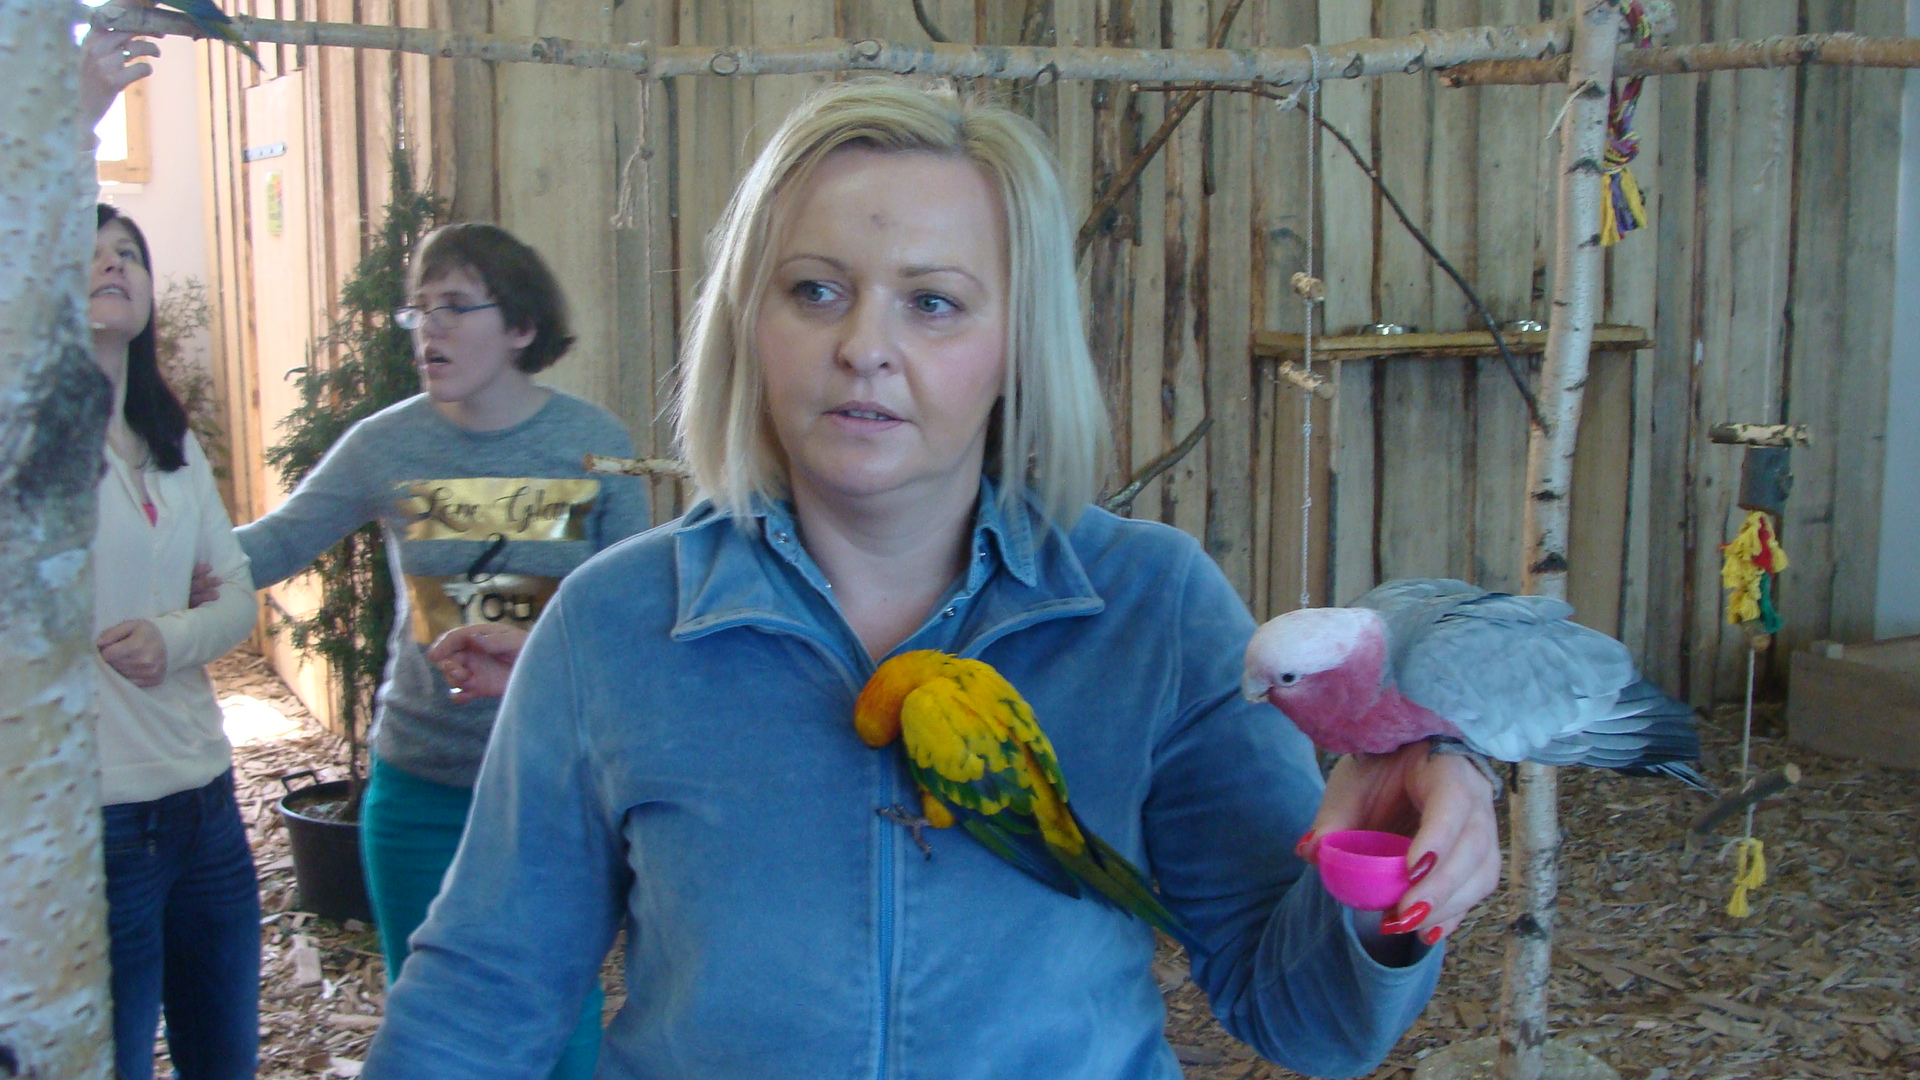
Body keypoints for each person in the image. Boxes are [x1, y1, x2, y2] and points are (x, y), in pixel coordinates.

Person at [365, 79, 1501, 1079]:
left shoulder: (1151, 609)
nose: (865, 345)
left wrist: (1390, 868)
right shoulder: (614, 626)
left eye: (934, 302)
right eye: (815, 290)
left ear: (1015, 345)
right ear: (749, 324)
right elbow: (483, 1002)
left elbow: (1308, 1018)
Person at [235, 223, 650, 1080]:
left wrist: (538, 653)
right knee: (433, 1032)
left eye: (456, 306)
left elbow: (632, 623)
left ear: (521, 327)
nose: (430, 328)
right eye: (420, 310)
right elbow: (271, 546)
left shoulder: (595, 445)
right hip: (419, 785)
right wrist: (134, 546)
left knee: (557, 1019)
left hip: (551, 791)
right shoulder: (385, 444)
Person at [82, 26, 264, 1078]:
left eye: (131, 253)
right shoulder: (31, 443)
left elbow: (236, 598)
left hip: (205, 799)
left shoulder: (172, 440)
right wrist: (81, 114)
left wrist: (173, 634)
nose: (115, 262)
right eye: (92, 250)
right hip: (95, 819)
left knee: (224, 1060)